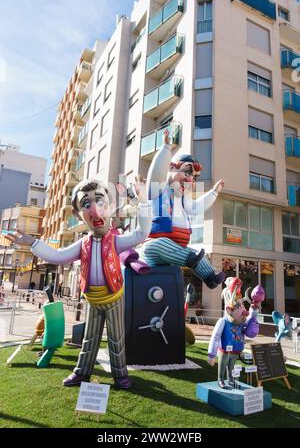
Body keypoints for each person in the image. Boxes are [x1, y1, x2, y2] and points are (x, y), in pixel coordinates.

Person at [5, 177, 152, 389]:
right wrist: (33, 243)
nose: (94, 210)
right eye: (86, 204)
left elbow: (141, 233)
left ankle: (120, 375)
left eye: (100, 201)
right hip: (92, 299)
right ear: (77, 214)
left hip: (114, 298)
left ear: (110, 206)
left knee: (116, 339)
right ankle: (82, 372)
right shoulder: (82, 244)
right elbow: (56, 256)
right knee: (89, 338)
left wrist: (144, 200)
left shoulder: (116, 241)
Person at [140, 130, 225, 289]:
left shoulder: (184, 199)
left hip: (177, 250)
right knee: (159, 245)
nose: (190, 179)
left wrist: (214, 192)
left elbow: (197, 207)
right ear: (170, 168)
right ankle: (191, 259)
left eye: (195, 177)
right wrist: (166, 148)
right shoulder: (160, 190)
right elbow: (156, 174)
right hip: (154, 249)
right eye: (186, 172)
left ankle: (210, 277)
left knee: (197, 254)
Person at [207, 277, 261, 389]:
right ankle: (220, 379)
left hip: (236, 351)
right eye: (238, 306)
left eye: (242, 306)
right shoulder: (223, 321)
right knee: (222, 365)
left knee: (231, 367)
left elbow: (250, 328)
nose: (243, 310)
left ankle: (231, 380)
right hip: (225, 350)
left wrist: (253, 313)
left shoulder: (241, 322)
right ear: (229, 310)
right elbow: (215, 337)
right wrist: (212, 354)